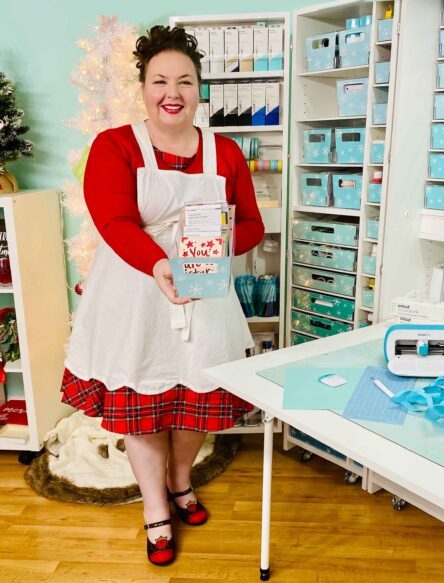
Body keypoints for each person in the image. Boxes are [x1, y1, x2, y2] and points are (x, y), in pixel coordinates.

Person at [61, 25, 264, 566]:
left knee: (195, 402)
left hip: (204, 288)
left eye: (185, 81)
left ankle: (179, 484)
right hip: (135, 290)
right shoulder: (116, 146)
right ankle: (156, 508)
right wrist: (159, 261)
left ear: (200, 89)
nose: (172, 92)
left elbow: (252, 226)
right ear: (143, 88)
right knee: (142, 408)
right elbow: (114, 220)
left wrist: (216, 244)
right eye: (159, 81)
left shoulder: (225, 153)